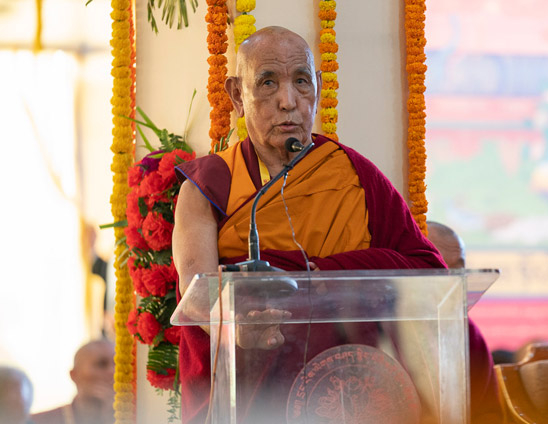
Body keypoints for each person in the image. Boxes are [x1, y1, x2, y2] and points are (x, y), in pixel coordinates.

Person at [173, 26, 501, 424]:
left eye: (301, 82)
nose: (288, 101)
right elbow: (196, 295)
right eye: (268, 83)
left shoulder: (352, 174)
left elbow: (427, 271)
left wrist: (321, 275)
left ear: (318, 88)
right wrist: (236, 329)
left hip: (356, 394)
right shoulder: (209, 186)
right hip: (256, 400)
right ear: (238, 96)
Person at [425, 221, 503, 422]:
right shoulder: (376, 324)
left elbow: (487, 414)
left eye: (457, 272)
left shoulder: (465, 333)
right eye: (438, 270)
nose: (449, 282)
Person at [32, 340, 115, 424]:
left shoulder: (126, 417)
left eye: (118, 365)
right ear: (74, 375)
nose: (113, 371)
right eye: (101, 364)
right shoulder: (40, 421)